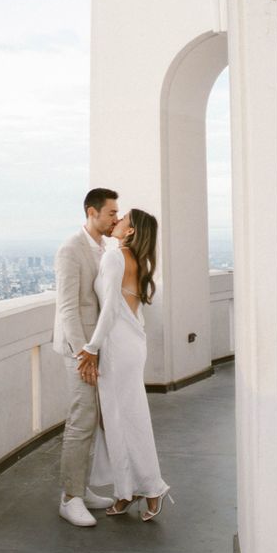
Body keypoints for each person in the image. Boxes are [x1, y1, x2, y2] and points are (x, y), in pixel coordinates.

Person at [78, 208, 172, 520]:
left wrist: (91, 348)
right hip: (130, 344)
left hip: (118, 348)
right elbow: (129, 309)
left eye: (123, 219)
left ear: (130, 232)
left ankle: (151, 488)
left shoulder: (116, 257)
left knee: (124, 420)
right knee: (120, 420)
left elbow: (109, 311)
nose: (116, 221)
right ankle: (127, 491)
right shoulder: (136, 259)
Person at [54, 188, 119, 526]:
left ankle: (82, 487)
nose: (115, 219)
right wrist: (84, 353)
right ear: (92, 212)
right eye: (110, 213)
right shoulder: (70, 249)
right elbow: (67, 307)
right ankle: (69, 497)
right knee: (81, 420)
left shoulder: (103, 248)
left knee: (93, 417)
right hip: (79, 350)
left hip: (94, 348)